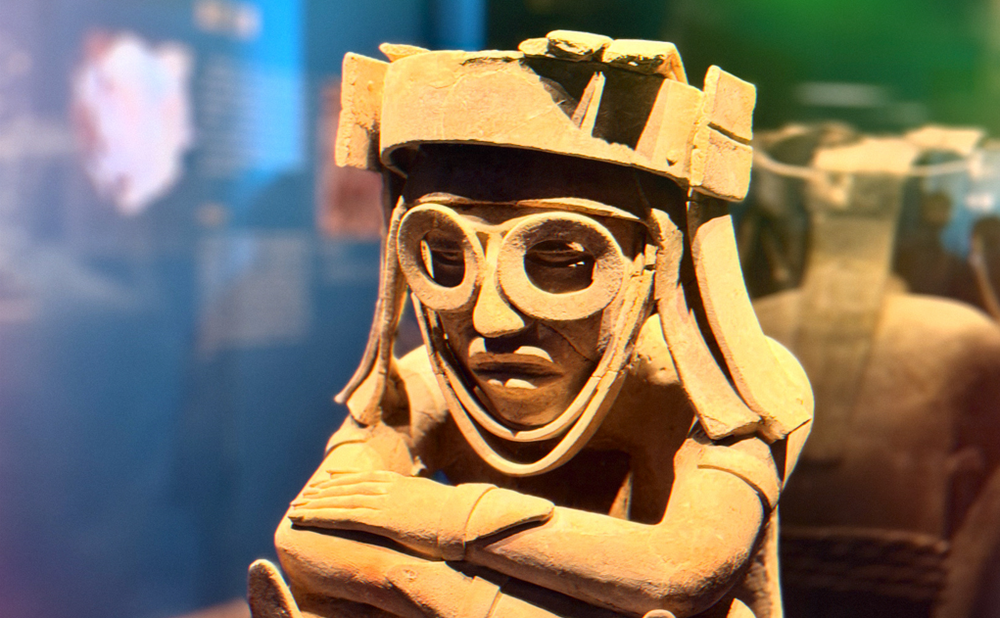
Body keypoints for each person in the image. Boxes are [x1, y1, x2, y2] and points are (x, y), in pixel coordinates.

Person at [248, 31, 812, 618]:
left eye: (558, 261)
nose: (492, 320)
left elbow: (684, 570)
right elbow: (305, 538)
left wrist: (442, 524)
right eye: (449, 260)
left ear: (654, 260)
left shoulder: (725, 393)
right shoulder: (424, 387)